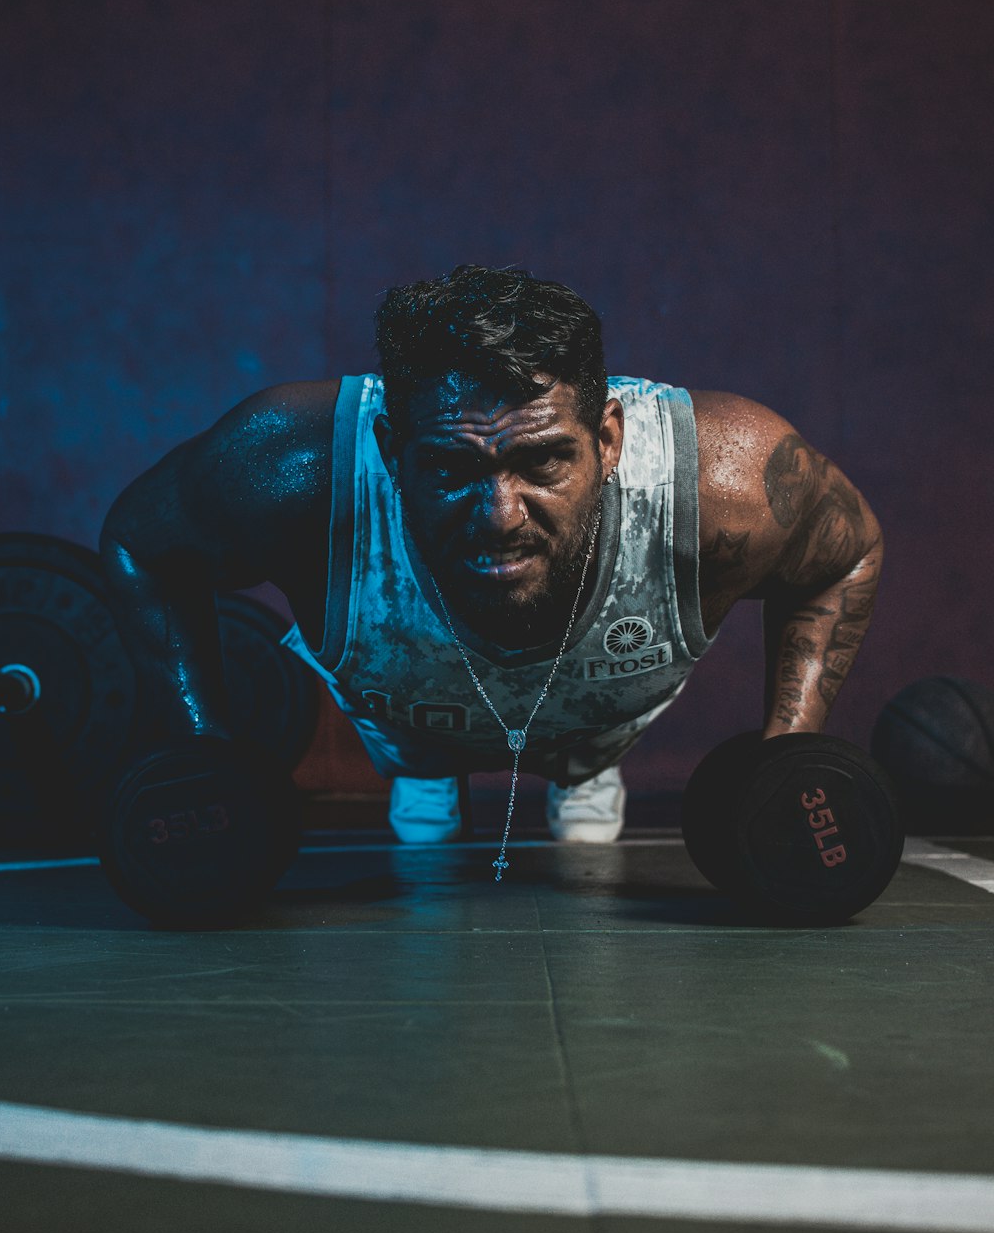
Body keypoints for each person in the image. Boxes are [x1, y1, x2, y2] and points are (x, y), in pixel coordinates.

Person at [99, 265, 883, 853]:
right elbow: (143, 545)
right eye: (450, 470)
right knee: (421, 771)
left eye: (543, 464)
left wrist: (788, 751)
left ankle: (582, 768)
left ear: (608, 440)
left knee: (583, 762)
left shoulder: (727, 479)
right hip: (407, 717)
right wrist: (203, 754)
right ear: (390, 449)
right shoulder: (288, 468)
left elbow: (844, 556)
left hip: (603, 718)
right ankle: (426, 769)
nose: (500, 515)